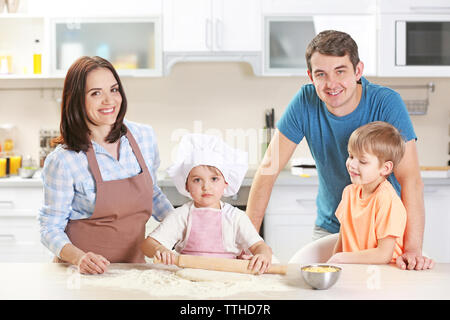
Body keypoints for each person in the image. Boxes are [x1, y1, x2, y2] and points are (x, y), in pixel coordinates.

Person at [246, 30, 433, 270]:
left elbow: (411, 180)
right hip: (333, 226)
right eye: (321, 74)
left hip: (382, 231)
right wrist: (250, 242)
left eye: (340, 71)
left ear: (358, 71)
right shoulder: (305, 102)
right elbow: (268, 170)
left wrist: (413, 249)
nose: (331, 83)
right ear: (310, 77)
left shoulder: (386, 102)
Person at [38, 56, 173, 274]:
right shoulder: (64, 160)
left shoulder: (144, 137)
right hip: (80, 275)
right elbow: (50, 228)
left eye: (114, 89)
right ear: (76, 100)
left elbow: (153, 194)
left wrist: (184, 229)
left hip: (134, 271)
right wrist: (80, 258)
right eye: (96, 93)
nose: (109, 101)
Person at [141, 134, 273, 274]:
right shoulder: (182, 215)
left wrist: (263, 255)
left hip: (226, 278)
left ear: (226, 183)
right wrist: (160, 249)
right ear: (187, 186)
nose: (206, 187)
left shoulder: (236, 218)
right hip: (188, 279)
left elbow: (259, 246)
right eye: (197, 180)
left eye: (214, 179)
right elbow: (147, 244)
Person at [327, 122, 410, 264]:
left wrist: (341, 258)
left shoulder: (386, 200)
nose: (352, 164)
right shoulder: (349, 193)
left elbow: (384, 255)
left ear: (385, 168)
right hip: (356, 271)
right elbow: (342, 240)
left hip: (385, 276)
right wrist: (334, 264)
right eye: (351, 156)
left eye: (363, 161)